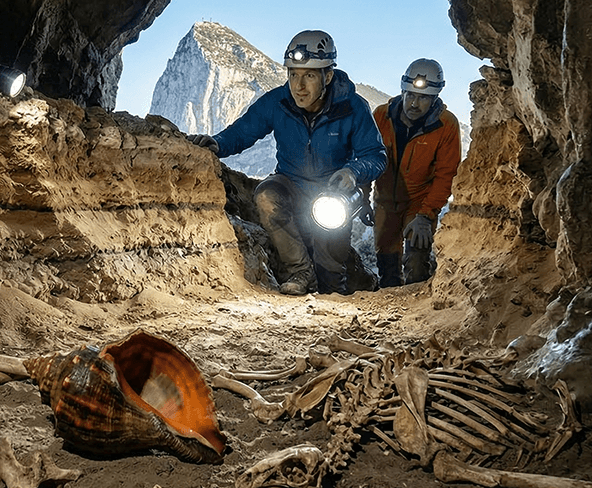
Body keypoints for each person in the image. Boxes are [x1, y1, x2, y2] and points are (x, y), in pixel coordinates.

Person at [188, 30, 386, 295]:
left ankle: (332, 292)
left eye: (309, 76)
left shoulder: (352, 107)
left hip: (333, 192)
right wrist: (218, 143)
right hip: (291, 185)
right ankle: (299, 271)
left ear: (327, 76)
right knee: (266, 195)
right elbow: (244, 130)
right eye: (293, 74)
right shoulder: (278, 102)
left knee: (330, 274)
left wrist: (353, 171)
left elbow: (376, 155)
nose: (298, 86)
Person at [371, 58, 462, 287]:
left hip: (419, 202)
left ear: (435, 98)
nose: (414, 103)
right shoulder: (381, 116)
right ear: (402, 91)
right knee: (387, 266)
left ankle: (418, 301)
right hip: (385, 202)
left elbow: (446, 175)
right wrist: (362, 197)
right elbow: (366, 156)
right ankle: (389, 304)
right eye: (410, 95)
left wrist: (426, 214)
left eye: (423, 98)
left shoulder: (446, 125)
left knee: (416, 260)